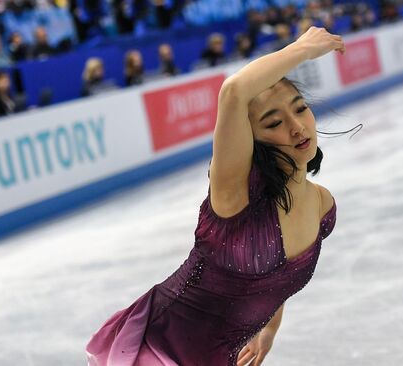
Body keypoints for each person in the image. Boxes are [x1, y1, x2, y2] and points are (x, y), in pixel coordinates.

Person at [86, 26, 345, 366]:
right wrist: (301, 49)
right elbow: (235, 90)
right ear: (251, 141)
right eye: (273, 123)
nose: (297, 127)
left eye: (299, 108)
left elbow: (275, 278)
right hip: (158, 350)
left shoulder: (322, 207)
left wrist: (269, 329)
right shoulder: (235, 196)